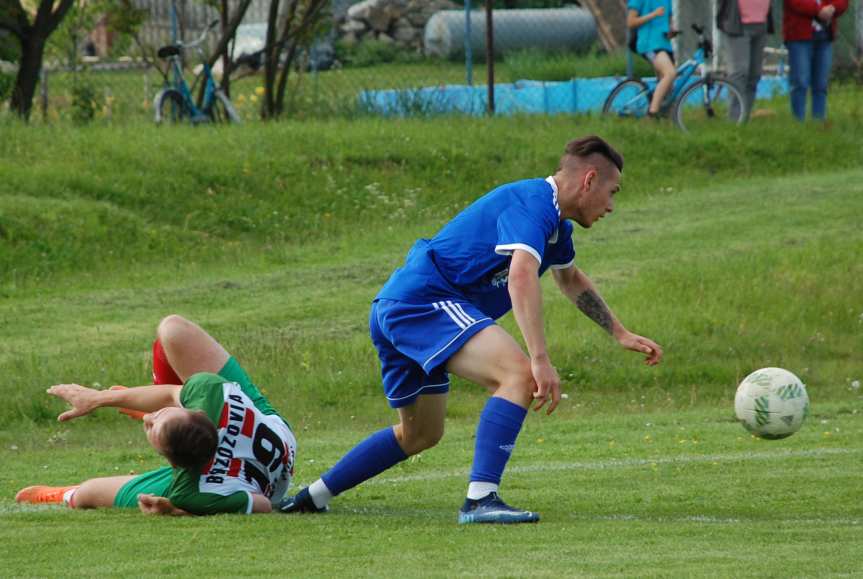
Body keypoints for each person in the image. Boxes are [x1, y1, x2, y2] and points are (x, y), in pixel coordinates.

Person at [280, 136, 663, 524]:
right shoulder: (534, 204)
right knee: (518, 374)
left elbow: (570, 279)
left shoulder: (557, 229)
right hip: (423, 302)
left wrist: (619, 333)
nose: (611, 206)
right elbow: (521, 275)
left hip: (400, 307)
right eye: (612, 193)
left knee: (421, 435)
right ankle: (481, 500)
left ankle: (313, 496)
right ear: (589, 180)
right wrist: (540, 359)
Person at [15, 315, 297, 516]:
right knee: (172, 330)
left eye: (150, 425)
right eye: (153, 418)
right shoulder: (209, 390)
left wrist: (179, 509)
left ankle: (60, 493)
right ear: (196, 412)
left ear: (171, 463)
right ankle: (165, 423)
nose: (148, 419)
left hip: (256, 480)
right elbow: (170, 394)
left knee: (89, 492)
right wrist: (96, 399)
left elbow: (261, 504)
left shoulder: (189, 491)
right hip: (276, 432)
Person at [783, 0, 848, 121]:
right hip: (799, 36)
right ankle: (798, 122)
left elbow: (843, 2)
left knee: (821, 83)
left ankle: (818, 122)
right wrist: (818, 10)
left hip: (825, 36)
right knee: (800, 82)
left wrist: (833, 8)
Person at [717, 0, 775, 120]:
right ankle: (735, 120)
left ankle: (745, 118)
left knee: (754, 74)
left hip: (761, 23)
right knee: (739, 73)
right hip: (737, 24)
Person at [627, 0, 678, 119]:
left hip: (665, 44)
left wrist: (671, 30)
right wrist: (653, 14)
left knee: (668, 87)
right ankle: (651, 115)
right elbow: (631, 22)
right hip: (649, 44)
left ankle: (666, 120)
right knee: (670, 73)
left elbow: (668, 21)